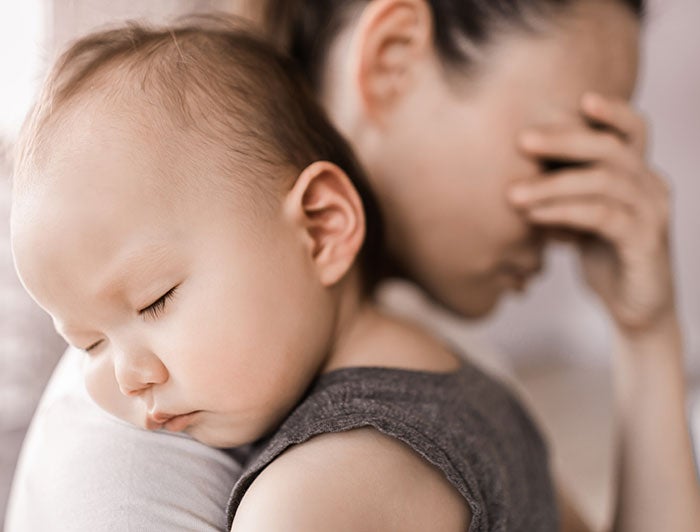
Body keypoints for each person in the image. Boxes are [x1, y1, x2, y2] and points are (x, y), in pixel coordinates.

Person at [5, 0, 699, 530]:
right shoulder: (145, 440)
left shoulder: (422, 354)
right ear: (391, 56)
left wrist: (647, 332)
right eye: (559, 157)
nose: (585, 216)